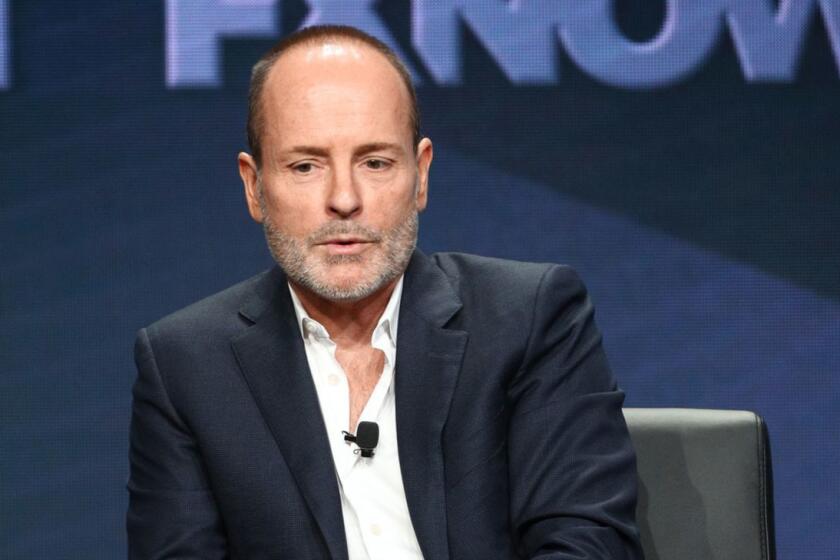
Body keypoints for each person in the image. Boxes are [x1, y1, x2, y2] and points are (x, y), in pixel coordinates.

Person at [127, 25, 643, 560]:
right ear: (254, 186)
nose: (344, 199)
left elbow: (587, 544)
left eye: (375, 162)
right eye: (306, 166)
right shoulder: (186, 365)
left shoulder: (529, 318)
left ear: (420, 176)